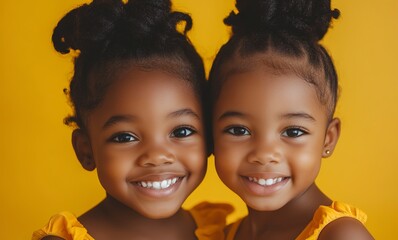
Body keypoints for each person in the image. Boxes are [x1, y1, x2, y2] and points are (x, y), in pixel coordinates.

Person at [33, 0, 232, 239]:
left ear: (209, 137)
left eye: (181, 132)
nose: (157, 156)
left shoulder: (219, 231)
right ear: (85, 150)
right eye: (125, 136)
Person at [208, 0, 374, 239]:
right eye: (238, 130)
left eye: (293, 132)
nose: (264, 153)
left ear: (328, 138)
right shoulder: (223, 233)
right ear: (211, 133)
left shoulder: (340, 236)